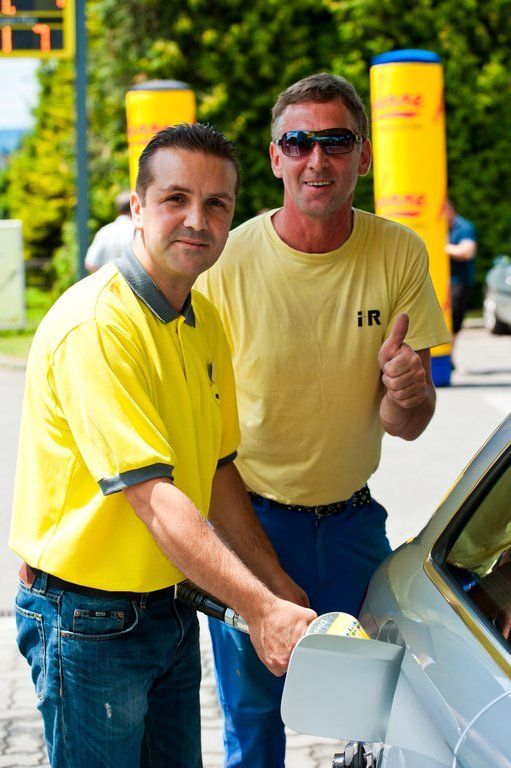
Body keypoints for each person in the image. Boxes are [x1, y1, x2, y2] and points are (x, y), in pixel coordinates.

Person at [9, 123, 316, 768]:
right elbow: (153, 496)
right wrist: (260, 610)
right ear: (138, 208)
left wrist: (276, 583)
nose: (197, 220)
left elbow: (218, 471)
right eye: (176, 198)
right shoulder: (98, 325)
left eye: (216, 204)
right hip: (87, 619)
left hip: (170, 607)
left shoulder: (201, 320)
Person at [196, 73, 451, 767]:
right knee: (254, 724)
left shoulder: (399, 251)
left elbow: (407, 423)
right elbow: (197, 428)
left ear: (363, 156)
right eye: (298, 142)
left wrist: (407, 390)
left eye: (335, 141)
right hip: (251, 524)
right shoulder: (226, 262)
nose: (317, 159)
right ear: (274, 158)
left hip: (351, 525)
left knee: (391, 710)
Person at [445, 199, 477, 337]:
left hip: (459, 281)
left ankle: (450, 349)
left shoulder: (464, 227)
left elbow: (467, 252)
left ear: (450, 210)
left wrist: (441, 247)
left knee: (454, 320)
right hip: (445, 280)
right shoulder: (441, 227)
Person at [84, 189, 134, 272]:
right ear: (135, 206)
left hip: (108, 279)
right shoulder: (138, 231)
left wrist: (106, 275)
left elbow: (90, 263)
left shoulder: (104, 231)